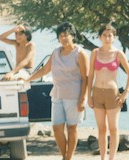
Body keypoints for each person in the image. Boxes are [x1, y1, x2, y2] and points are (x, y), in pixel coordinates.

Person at [23, 22, 88, 160]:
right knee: (57, 128)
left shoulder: (80, 53)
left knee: (72, 128)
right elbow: (45, 70)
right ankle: (64, 156)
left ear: (73, 36)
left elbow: (85, 78)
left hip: (74, 96)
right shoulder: (56, 52)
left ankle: (68, 157)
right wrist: (28, 79)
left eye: (66, 35)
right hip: (57, 94)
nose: (64, 38)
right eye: (61, 36)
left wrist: (83, 99)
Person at [87, 24, 129, 160]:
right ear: (100, 37)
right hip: (97, 92)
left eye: (110, 35)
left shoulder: (118, 53)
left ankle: (112, 158)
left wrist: (125, 93)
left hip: (113, 94)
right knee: (101, 128)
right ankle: (103, 158)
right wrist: (89, 96)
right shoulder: (95, 53)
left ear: (114, 37)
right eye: (104, 35)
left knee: (113, 128)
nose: (107, 37)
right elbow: (90, 75)